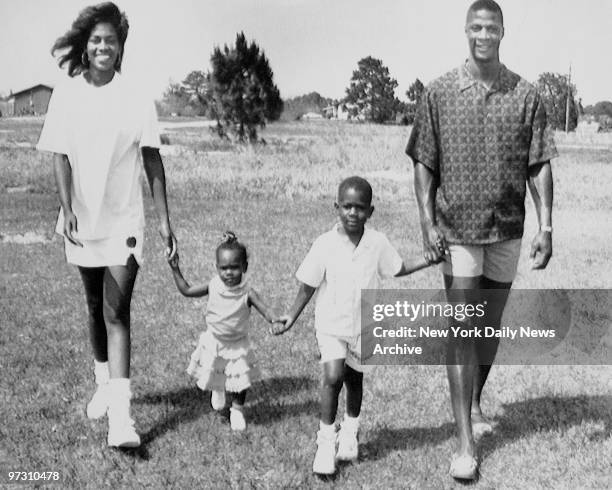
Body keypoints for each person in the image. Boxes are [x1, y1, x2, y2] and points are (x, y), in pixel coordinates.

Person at [406, 0, 556, 480]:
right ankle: (465, 444)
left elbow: (540, 165)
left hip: (507, 229)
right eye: (476, 26)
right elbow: (424, 162)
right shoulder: (439, 92)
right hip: (459, 230)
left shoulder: (527, 95)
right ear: (465, 30)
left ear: (503, 32)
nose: (483, 34)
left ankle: (472, 404)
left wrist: (546, 225)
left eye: (491, 27)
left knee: (487, 329)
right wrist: (428, 223)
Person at [36, 2, 177, 448]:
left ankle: (122, 419)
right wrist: (67, 207)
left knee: (117, 311)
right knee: (94, 304)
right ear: (86, 45)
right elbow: (59, 154)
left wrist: (164, 220)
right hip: (81, 218)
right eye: (96, 40)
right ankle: (103, 382)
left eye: (110, 41)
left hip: (124, 220)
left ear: (120, 48)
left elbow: (151, 158)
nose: (103, 47)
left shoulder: (136, 96)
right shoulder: (67, 92)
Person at [273, 176, 435, 475]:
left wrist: (428, 260)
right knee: (333, 376)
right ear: (337, 207)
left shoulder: (377, 243)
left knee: (354, 380)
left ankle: (350, 432)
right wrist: (291, 316)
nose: (352, 213)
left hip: (364, 326)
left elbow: (397, 269)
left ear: (370, 212)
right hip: (331, 324)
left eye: (359, 208)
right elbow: (308, 285)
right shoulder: (324, 243)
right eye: (347, 206)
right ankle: (325, 443)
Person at [168, 232, 278, 431]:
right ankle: (218, 388)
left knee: (241, 378)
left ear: (244, 267)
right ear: (217, 268)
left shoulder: (247, 292)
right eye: (224, 268)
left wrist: (275, 320)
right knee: (214, 368)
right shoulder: (213, 286)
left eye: (234, 268)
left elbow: (266, 310)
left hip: (238, 342)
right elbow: (187, 290)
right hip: (215, 340)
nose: (229, 273)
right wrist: (175, 268)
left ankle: (237, 409)